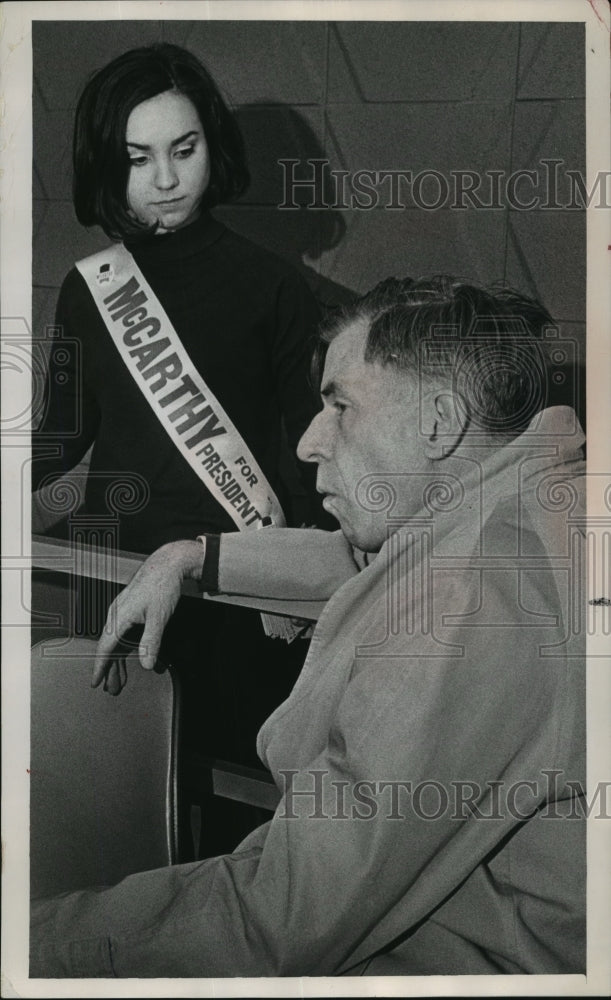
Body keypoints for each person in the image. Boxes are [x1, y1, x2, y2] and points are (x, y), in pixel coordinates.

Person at [30, 275, 586, 977]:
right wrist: (195, 556)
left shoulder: (468, 595)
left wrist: (40, 944)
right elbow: (379, 562)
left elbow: (279, 919)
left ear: (439, 421)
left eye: (340, 406)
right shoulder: (543, 502)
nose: (308, 443)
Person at [31, 44, 328, 837]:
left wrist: (291, 581)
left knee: (238, 809)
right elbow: (56, 441)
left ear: (211, 149)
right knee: (114, 806)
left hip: (233, 582)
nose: (164, 179)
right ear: (106, 163)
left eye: (183, 150)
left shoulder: (272, 286)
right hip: (116, 573)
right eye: (137, 158)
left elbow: (308, 456)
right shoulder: (88, 287)